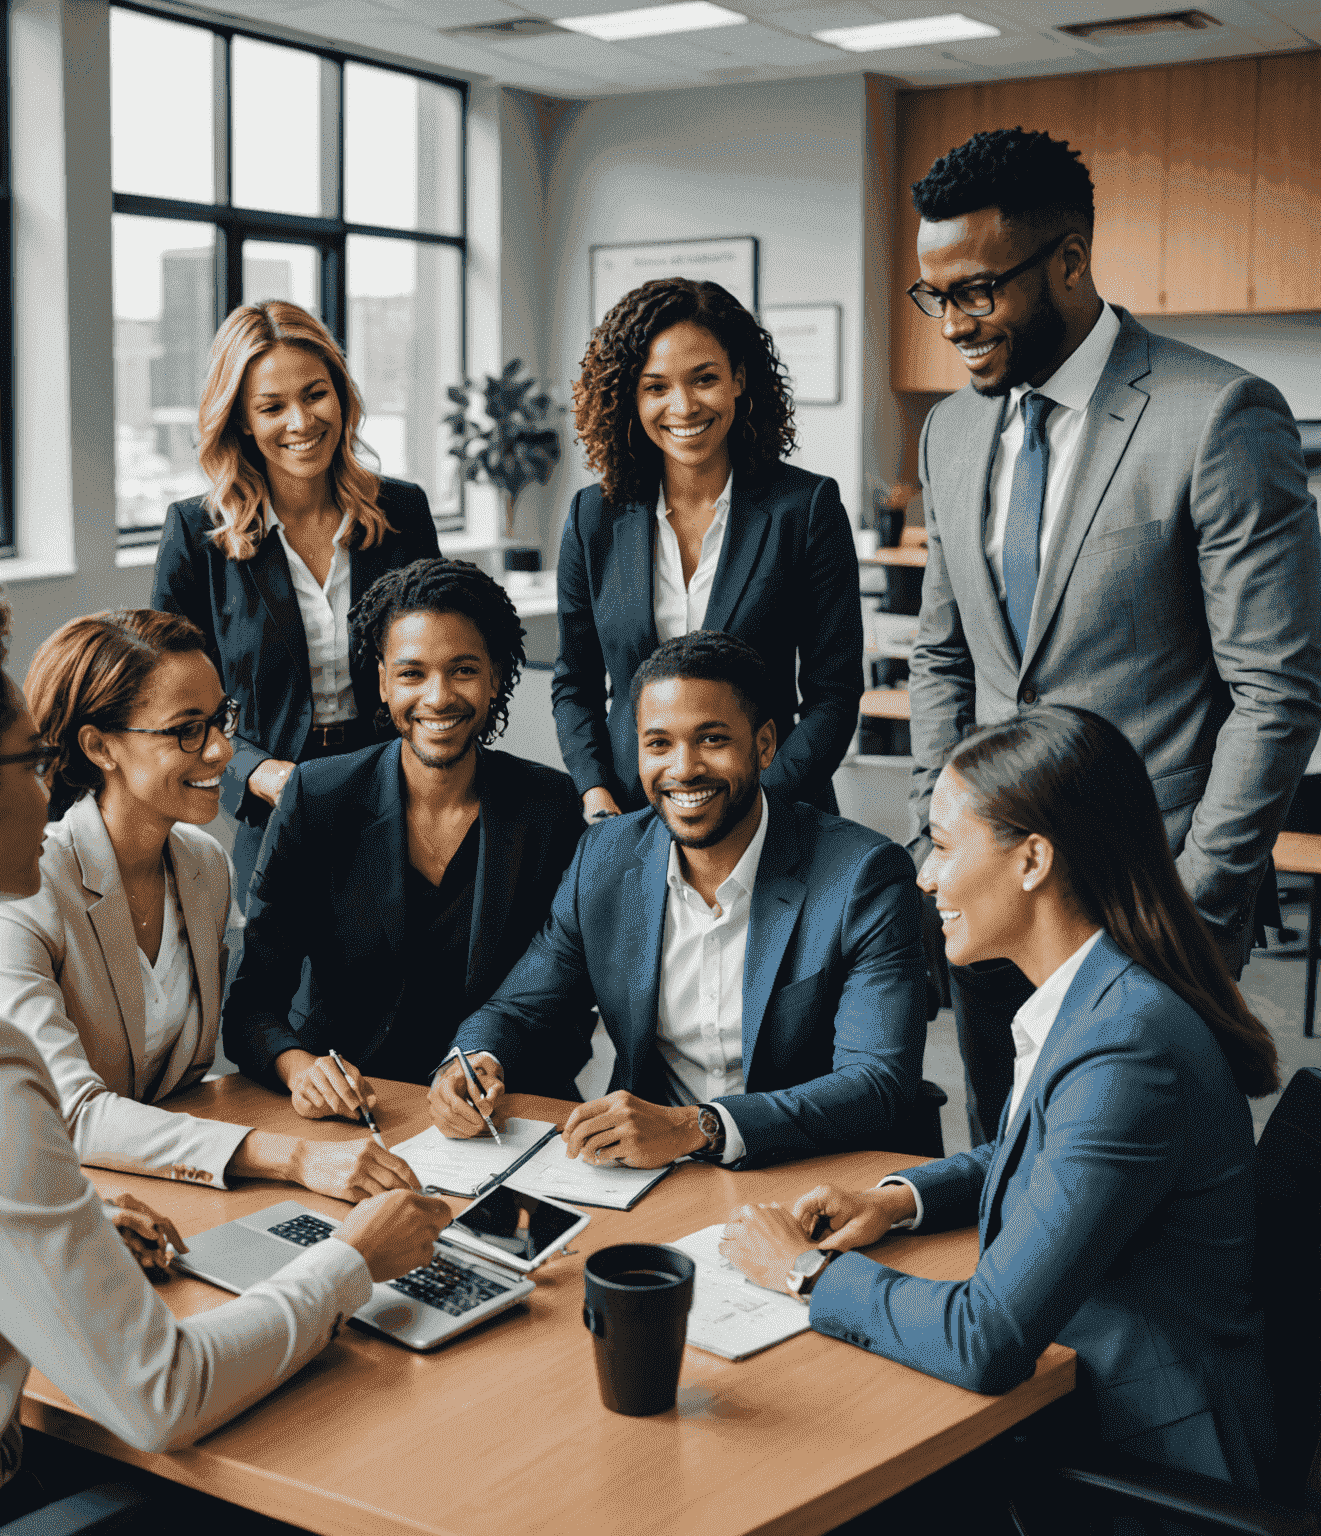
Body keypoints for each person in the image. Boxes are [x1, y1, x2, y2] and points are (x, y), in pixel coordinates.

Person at [0, 550, 451, 1535]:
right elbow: (161, 1395)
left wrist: (77, 1222)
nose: (48, 784)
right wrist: (350, 1259)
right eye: (28, 761)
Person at [721, 706, 1277, 1501]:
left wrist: (803, 1271)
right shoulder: (1100, 997)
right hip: (1086, 1397)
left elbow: (986, 1338)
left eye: (944, 847)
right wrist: (894, 1201)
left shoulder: (1126, 1047)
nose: (925, 876)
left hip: (1141, 1464)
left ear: (1033, 860)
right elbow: (1036, 1150)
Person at [904, 127, 1321, 1144]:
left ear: (1071, 262)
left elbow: (1276, 695)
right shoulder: (952, 430)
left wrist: (1191, 917)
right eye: (936, 295)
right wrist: (936, 831)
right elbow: (941, 655)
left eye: (979, 291)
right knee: (1003, 1153)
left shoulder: (1219, 413)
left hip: (1152, 896)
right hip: (995, 892)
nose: (954, 324)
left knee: (1137, 1193)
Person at [0, 608, 422, 1202]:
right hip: (32, 1200)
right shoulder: (20, 892)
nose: (223, 750)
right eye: (187, 729)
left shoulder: (203, 865)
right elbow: (68, 1114)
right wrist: (297, 1157)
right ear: (101, 746)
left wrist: (296, 1069)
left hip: (160, 1187)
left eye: (221, 719)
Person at [431, 631, 925, 1169]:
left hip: (806, 1170)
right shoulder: (604, 859)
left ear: (764, 744)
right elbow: (521, 1008)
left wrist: (699, 1126)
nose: (683, 769)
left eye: (712, 740)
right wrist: (473, 1060)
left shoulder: (863, 876)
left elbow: (876, 1082)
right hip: (649, 1175)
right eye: (659, 744)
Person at [223, 559, 590, 1112]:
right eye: (412, 673)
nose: (438, 697)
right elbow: (252, 1003)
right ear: (381, 681)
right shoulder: (318, 798)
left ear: (496, 677)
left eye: (463, 670)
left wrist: (492, 1069)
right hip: (355, 1109)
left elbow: (563, 999)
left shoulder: (551, 807)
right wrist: (301, 1070)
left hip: (502, 1108)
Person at [151, 299, 441, 902]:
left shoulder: (403, 512)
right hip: (274, 804)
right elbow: (170, 700)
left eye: (315, 394)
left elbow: (438, 653)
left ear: (342, 395)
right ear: (242, 422)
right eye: (271, 406)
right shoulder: (195, 534)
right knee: (285, 989)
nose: (301, 421)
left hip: (404, 788)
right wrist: (255, 772)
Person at [552, 276, 862, 826]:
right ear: (630, 396)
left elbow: (833, 694)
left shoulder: (806, 507)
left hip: (775, 810)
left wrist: (760, 806)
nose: (684, 406)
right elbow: (576, 682)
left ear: (739, 379)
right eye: (656, 387)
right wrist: (595, 792)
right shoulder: (592, 518)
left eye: (705, 379)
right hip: (632, 814)